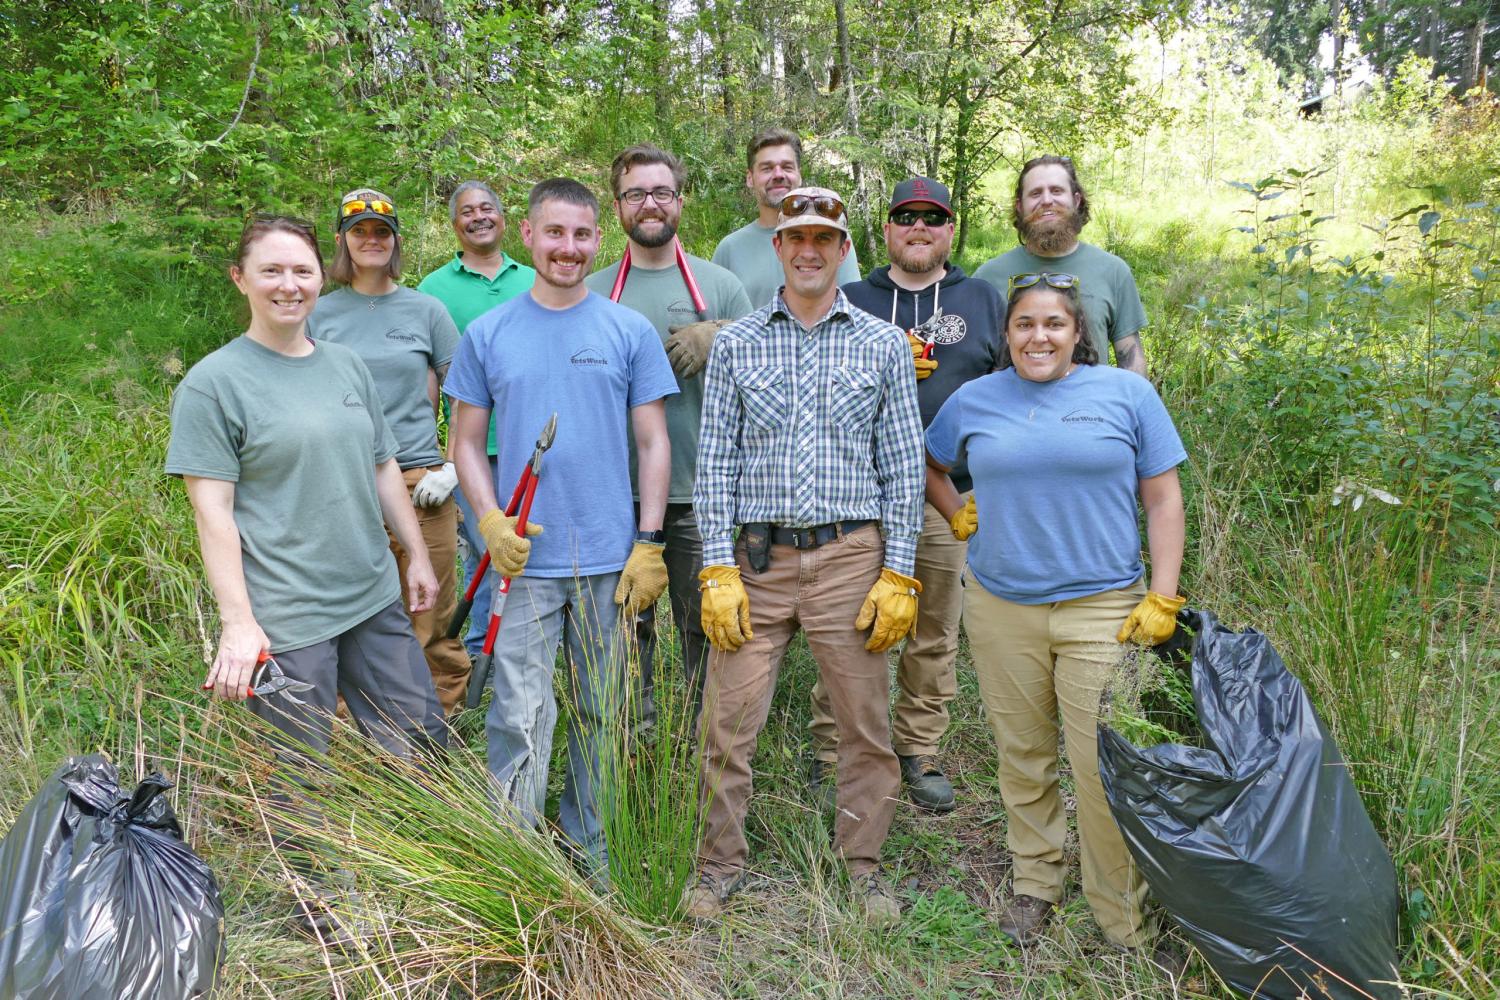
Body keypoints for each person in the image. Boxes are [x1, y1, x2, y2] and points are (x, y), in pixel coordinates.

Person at [166, 214, 447, 936]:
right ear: (242, 279)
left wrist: (413, 552)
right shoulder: (214, 384)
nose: (289, 285)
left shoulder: (344, 363)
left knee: (417, 735)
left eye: (301, 271)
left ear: (323, 278)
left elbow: (384, 464)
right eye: (272, 271)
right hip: (289, 618)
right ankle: (322, 914)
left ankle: (428, 873)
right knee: (300, 773)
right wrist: (239, 624)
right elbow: (213, 510)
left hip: (371, 596)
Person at [924, 271, 1186, 958]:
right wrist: (957, 511)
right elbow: (929, 459)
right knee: (1024, 756)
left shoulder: (1127, 395)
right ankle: (1036, 884)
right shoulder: (975, 399)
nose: (1038, 337)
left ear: (1078, 334)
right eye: (1024, 325)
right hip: (1001, 604)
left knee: (1101, 765)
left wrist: (1163, 593)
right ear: (1006, 335)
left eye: (1053, 325)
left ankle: (1120, 916)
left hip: (1103, 607)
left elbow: (1163, 499)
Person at [686, 187, 925, 927]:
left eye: (824, 236)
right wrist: (716, 568)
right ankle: (717, 865)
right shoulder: (738, 343)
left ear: (844, 246)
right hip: (757, 562)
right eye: (796, 237)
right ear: (778, 248)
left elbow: (904, 466)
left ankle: (864, 868)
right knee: (727, 721)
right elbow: (715, 459)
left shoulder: (882, 343)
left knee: (863, 721)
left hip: (851, 555)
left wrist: (899, 570)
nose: (810, 249)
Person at [444, 178, 678, 876]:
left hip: (609, 561)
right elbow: (463, 442)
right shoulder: (488, 334)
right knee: (519, 716)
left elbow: (654, 443)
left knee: (603, 714)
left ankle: (592, 851)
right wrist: (488, 519)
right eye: (555, 234)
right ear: (529, 234)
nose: (567, 249)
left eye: (580, 236)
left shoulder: (626, 330)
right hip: (523, 567)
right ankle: (515, 861)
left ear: (596, 240)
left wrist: (650, 540)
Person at [805, 176, 1004, 814]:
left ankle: (919, 748)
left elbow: (1012, 391)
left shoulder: (982, 299)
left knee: (934, 627)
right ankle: (834, 747)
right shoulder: (851, 297)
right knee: (847, 625)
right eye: (905, 217)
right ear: (886, 230)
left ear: (951, 231)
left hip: (950, 494)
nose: (919, 229)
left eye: (933, 219)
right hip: (857, 492)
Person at [585, 144, 752, 726]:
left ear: (680, 200)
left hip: (701, 492)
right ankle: (636, 733)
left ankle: (709, 738)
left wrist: (723, 334)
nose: (649, 204)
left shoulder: (721, 284)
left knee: (705, 624)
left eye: (661, 192)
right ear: (618, 207)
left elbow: (767, 369)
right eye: (636, 194)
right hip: (612, 494)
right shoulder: (594, 288)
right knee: (626, 627)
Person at [306, 188, 469, 715]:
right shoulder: (318, 313)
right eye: (360, 232)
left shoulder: (426, 309)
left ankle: (433, 736)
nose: (371, 240)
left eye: (382, 231)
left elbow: (465, 393)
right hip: (343, 484)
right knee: (347, 615)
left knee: (432, 615)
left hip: (421, 483)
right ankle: (355, 743)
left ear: (395, 239)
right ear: (342, 241)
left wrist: (452, 466)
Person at [417, 181, 537, 667]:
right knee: (485, 554)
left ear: (505, 219)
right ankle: (478, 664)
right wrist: (438, 457)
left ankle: (529, 656)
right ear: (455, 225)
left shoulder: (534, 278)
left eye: (488, 208)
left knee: (528, 553)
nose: (479, 217)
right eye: (468, 211)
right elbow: (428, 377)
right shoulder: (432, 290)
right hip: (469, 450)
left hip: (532, 447)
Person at [974, 156, 1149, 375]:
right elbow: (974, 362)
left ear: (1076, 200)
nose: (1047, 200)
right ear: (1020, 206)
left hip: (1089, 407)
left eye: (1056, 191)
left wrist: (1134, 405)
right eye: (1035, 193)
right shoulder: (988, 277)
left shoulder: (1113, 271)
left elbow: (1130, 357)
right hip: (1008, 407)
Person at [711, 128, 861, 307]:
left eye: (787, 167)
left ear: (799, 175)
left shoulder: (831, 239)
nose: (778, 175)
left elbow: (853, 308)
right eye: (767, 168)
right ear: (750, 178)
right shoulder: (730, 249)